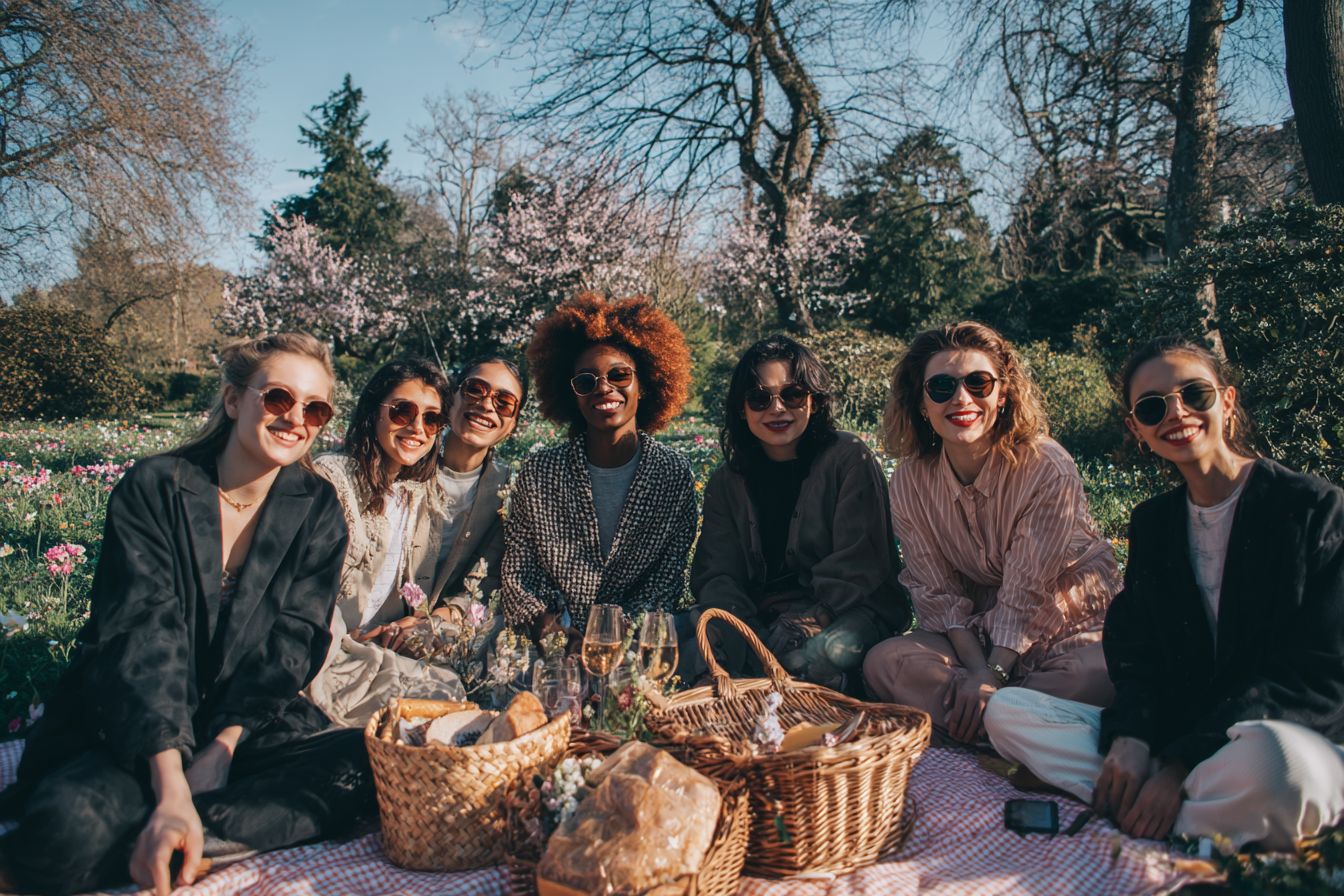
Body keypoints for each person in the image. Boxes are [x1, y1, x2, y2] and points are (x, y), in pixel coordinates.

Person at [0, 334, 372, 896]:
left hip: (239, 725)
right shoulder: (156, 486)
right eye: (278, 398)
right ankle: (179, 829)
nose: (297, 418)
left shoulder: (317, 508)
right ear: (233, 400)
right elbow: (142, 636)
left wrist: (222, 748)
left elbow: (293, 643)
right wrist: (172, 782)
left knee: (360, 765)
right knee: (69, 828)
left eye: (315, 409)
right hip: (130, 718)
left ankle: (173, 837)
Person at [983, 336, 1344, 849]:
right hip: (1177, 730)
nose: (1176, 413)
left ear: (1227, 401)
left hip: (1276, 733)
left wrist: (1177, 765)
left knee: (1283, 768)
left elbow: (1318, 675)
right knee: (1008, 712)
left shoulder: (1313, 509)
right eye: (1153, 407)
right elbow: (1139, 657)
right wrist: (1132, 736)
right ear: (1138, 429)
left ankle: (1151, 801)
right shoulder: (1155, 523)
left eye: (1194, 394)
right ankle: (1191, 812)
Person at [863, 321, 1118, 742]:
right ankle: (1015, 726)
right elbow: (939, 592)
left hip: (1067, 621)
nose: (962, 398)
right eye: (941, 387)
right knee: (885, 661)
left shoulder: (1045, 465)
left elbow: (1027, 590)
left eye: (978, 383)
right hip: (978, 633)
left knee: (1100, 672)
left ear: (1002, 394)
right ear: (921, 403)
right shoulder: (909, 481)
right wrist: (980, 671)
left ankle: (980, 723)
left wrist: (992, 676)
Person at [689, 335, 912, 690]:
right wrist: (747, 632)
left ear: (815, 400)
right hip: (758, 616)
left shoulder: (848, 458)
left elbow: (861, 561)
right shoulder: (727, 481)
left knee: (813, 657)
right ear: (742, 409)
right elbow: (717, 573)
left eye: (792, 395)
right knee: (678, 641)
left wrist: (811, 618)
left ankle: (832, 703)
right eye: (759, 398)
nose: (777, 409)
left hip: (847, 611)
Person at [499, 292, 697, 642]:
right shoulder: (540, 473)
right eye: (586, 381)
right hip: (547, 644)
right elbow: (518, 572)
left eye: (619, 375)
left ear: (644, 384)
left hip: (634, 644)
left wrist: (613, 635)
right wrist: (550, 628)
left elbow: (666, 580)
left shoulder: (673, 475)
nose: (603, 388)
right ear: (572, 394)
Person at [306, 358, 467, 727]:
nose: (417, 428)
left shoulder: (420, 494)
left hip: (372, 646)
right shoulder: (333, 480)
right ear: (373, 411)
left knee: (452, 692)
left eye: (431, 419)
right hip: (324, 650)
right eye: (402, 411)